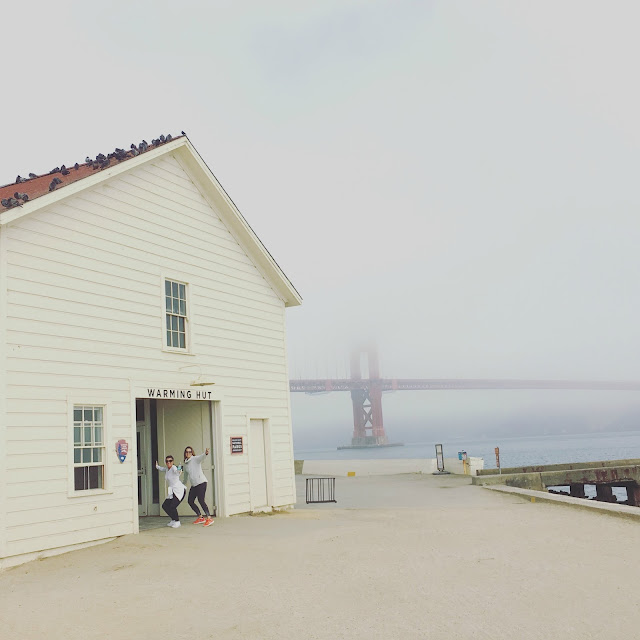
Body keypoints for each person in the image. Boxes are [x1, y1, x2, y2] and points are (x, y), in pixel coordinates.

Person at [183, 445, 214, 527]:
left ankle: (209, 518)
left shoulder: (195, 459)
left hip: (201, 482)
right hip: (194, 485)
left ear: (192, 453)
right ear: (185, 453)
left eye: (190, 452)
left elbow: (202, 457)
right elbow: (185, 476)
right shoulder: (185, 464)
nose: (188, 453)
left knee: (201, 500)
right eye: (187, 452)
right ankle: (200, 517)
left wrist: (206, 453)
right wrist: (182, 485)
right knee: (190, 501)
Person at [156, 455, 187, 528]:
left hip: (179, 490)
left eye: (170, 461)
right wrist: (157, 466)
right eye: (167, 461)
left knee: (173, 506)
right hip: (172, 491)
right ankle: (173, 519)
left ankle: (177, 521)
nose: (168, 462)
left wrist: (179, 470)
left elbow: (177, 472)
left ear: (173, 462)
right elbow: (162, 469)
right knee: (165, 506)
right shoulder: (167, 469)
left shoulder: (173, 468)